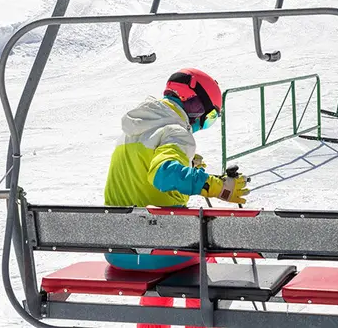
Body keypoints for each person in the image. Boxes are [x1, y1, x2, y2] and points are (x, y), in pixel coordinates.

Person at [103, 68, 249, 328]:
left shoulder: (132, 131)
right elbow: (163, 174)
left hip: (118, 249)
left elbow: (148, 175)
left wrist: (188, 168)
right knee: (206, 260)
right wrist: (218, 187)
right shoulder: (176, 131)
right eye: (209, 116)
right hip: (152, 252)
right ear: (196, 105)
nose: (202, 124)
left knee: (166, 275)